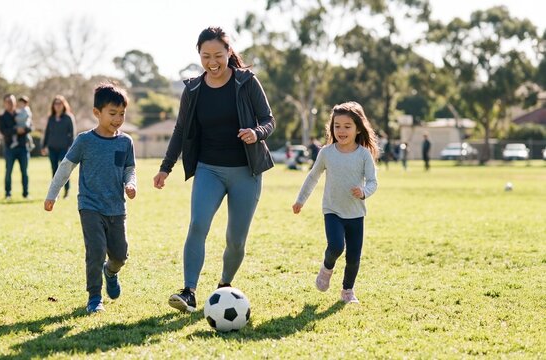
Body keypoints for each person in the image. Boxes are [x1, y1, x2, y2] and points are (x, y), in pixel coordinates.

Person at [153, 26, 275, 313]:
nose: (212, 62)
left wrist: (256, 133)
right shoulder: (193, 89)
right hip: (209, 169)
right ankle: (189, 292)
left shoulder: (246, 82)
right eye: (206, 56)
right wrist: (165, 168)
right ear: (199, 55)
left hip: (246, 171)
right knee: (197, 225)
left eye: (218, 55)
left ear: (228, 53)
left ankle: (224, 286)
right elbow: (181, 130)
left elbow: (268, 119)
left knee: (236, 239)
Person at [44, 83, 137, 313]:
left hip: (116, 207)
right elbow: (65, 167)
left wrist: (131, 183)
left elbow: (129, 169)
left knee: (120, 255)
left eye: (122, 114)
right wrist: (52, 194)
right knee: (95, 251)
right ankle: (95, 298)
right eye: (112, 113)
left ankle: (111, 272)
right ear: (97, 113)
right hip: (90, 205)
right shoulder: (85, 141)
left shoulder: (125, 142)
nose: (118, 119)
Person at [292, 101, 378, 304]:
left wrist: (364, 192)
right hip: (332, 210)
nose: (341, 130)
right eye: (337, 126)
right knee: (336, 246)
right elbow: (312, 177)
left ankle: (347, 291)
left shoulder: (364, 155)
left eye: (347, 126)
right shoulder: (326, 153)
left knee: (354, 257)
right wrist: (300, 200)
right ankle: (327, 267)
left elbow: (373, 182)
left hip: (356, 213)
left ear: (358, 129)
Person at [41, 95, 76, 199]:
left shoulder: (68, 117)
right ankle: (55, 193)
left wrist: (71, 147)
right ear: (53, 105)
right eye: (56, 103)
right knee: (54, 170)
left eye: (60, 103)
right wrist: (44, 146)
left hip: (64, 148)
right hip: (52, 148)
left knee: (64, 170)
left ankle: (67, 191)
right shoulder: (51, 118)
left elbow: (72, 133)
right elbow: (47, 133)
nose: (57, 105)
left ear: (63, 105)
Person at [0, 94, 30, 200]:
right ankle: (8, 193)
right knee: (8, 172)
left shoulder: (22, 113)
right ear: (4, 103)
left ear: (15, 102)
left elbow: (30, 127)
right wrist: (15, 130)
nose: (10, 104)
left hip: (22, 147)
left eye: (12, 101)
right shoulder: (2, 117)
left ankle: (25, 193)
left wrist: (24, 130)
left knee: (25, 172)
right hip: (10, 148)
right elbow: (3, 131)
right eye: (8, 102)